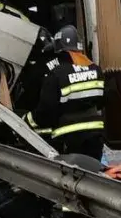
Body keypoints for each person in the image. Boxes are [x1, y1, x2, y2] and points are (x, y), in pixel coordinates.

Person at [27, 25, 104, 160]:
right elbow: (103, 101)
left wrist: (27, 120)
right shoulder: (96, 70)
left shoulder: (57, 74)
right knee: (92, 172)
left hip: (69, 138)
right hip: (95, 135)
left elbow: (46, 111)